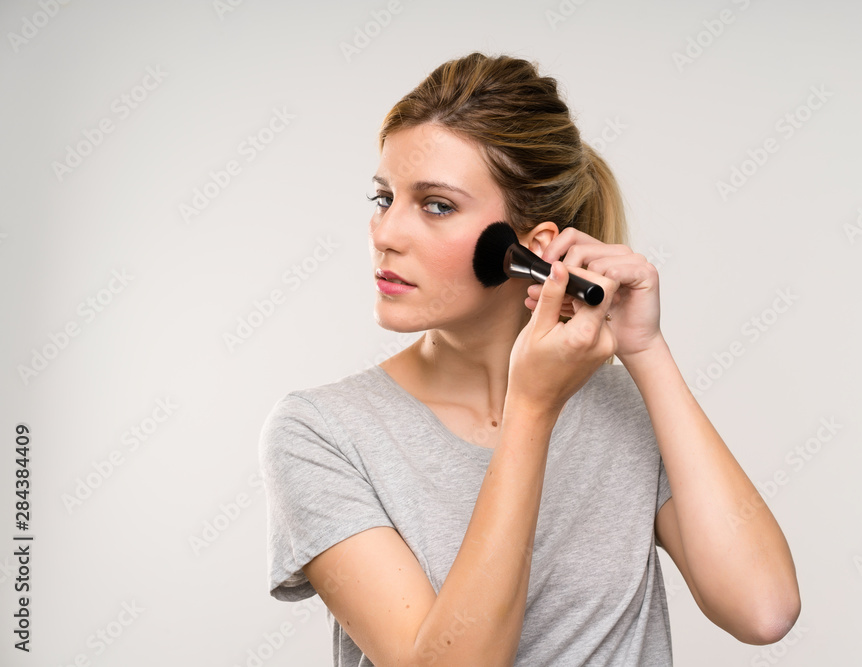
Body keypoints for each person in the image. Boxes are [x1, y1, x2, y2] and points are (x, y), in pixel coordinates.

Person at [259, 51, 800, 666]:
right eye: (383, 198)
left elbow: (763, 610)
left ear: (531, 247)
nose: (385, 234)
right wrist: (532, 410)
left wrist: (646, 351)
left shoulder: (621, 408)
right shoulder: (321, 434)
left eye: (436, 205)